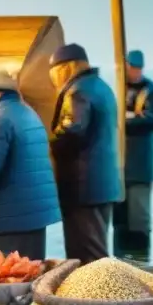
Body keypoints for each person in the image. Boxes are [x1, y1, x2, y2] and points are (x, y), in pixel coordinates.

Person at [0, 71, 61, 260]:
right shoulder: (27, 112)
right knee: (30, 274)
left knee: (8, 277)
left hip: (9, 217)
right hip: (35, 215)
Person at [48, 43, 123, 263]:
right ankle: (101, 295)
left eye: (53, 73)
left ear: (64, 68)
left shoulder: (78, 92)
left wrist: (46, 144)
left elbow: (73, 131)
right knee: (96, 249)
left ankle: (100, 296)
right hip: (102, 186)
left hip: (83, 187)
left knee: (87, 254)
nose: (53, 80)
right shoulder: (101, 87)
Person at [113, 49, 153, 261]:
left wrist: (124, 120)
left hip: (141, 167)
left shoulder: (151, 92)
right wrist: (133, 116)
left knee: (139, 217)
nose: (135, 72)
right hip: (120, 167)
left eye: (138, 68)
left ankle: (141, 261)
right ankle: (119, 259)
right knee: (120, 217)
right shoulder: (120, 90)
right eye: (132, 67)